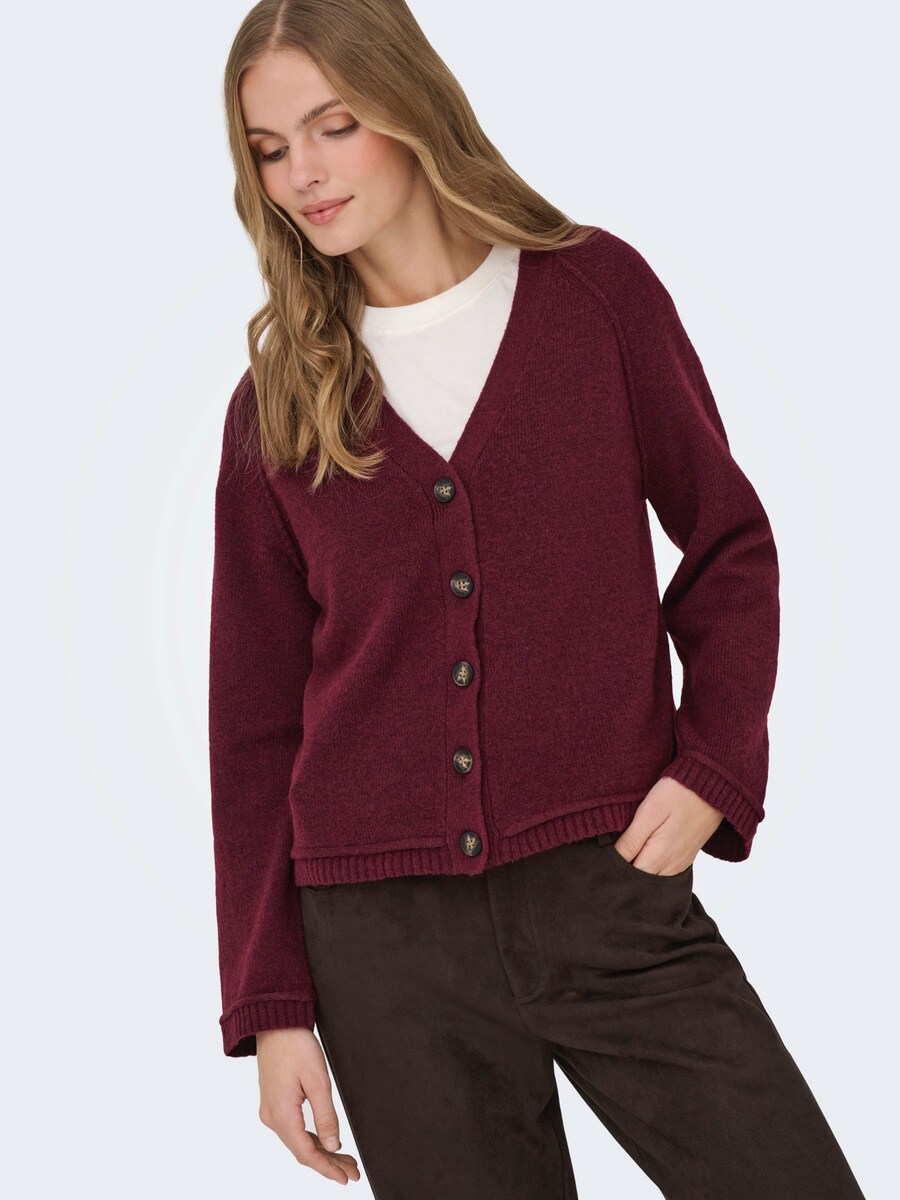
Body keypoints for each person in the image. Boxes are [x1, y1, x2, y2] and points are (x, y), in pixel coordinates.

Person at [207, 1, 867, 1196]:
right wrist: (274, 1006)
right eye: (269, 148)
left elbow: (728, 545)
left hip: (608, 888)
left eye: (335, 126)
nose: (303, 172)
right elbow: (253, 729)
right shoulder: (279, 406)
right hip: (383, 944)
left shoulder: (594, 296)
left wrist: (714, 765)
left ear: (411, 107)